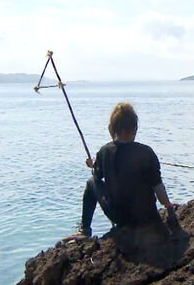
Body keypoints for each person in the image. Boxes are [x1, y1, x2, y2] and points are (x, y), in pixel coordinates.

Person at [66, 102, 175, 239]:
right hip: (147, 216)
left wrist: (94, 163)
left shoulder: (104, 152)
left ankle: (85, 229)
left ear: (113, 128)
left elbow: (97, 176)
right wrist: (167, 204)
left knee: (90, 183)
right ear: (134, 127)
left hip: (121, 217)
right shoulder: (147, 152)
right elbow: (157, 185)